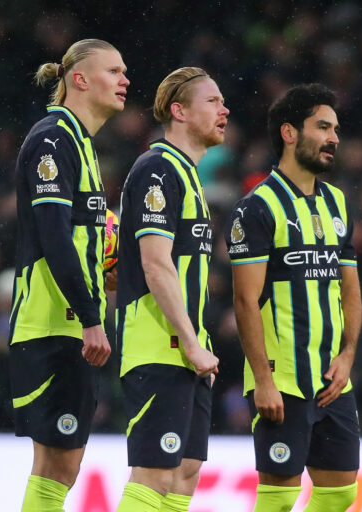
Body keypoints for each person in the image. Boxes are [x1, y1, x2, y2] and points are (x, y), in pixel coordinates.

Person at [225, 84, 362, 512]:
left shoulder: (337, 203)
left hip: (333, 377)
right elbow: (245, 301)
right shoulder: (257, 207)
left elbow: (350, 288)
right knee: (279, 498)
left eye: (335, 129)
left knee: (340, 493)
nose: (334, 138)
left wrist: (348, 355)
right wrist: (263, 380)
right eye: (322, 127)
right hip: (282, 378)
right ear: (289, 133)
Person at [9, 39, 129, 511]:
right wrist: (91, 318)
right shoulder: (53, 139)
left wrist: (106, 269)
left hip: (68, 323)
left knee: (61, 465)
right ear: (79, 79)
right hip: (54, 324)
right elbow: (54, 237)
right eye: (113, 71)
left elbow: (77, 239)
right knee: (57, 464)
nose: (125, 80)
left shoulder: (81, 144)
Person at [114, 67, 227, 512]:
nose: (224, 110)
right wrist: (191, 342)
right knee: (155, 474)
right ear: (179, 111)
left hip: (186, 348)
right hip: (159, 345)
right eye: (213, 101)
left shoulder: (188, 175)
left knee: (185, 471)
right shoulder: (157, 170)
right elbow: (156, 265)